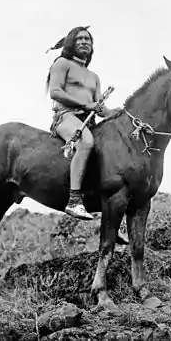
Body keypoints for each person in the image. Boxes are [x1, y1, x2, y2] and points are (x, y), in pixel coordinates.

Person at [46, 26, 122, 220]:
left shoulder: (94, 77)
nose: (84, 42)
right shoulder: (62, 63)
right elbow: (55, 92)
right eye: (79, 38)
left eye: (87, 39)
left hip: (88, 121)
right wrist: (86, 104)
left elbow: (99, 108)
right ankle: (73, 201)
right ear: (71, 43)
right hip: (66, 117)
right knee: (86, 142)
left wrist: (114, 112)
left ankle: (105, 207)